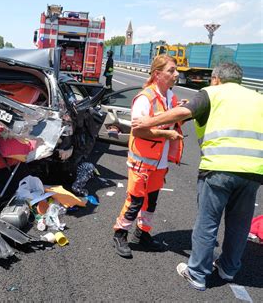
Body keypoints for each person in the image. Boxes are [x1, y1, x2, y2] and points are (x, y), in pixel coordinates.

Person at [131, 62, 263, 291]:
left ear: (216, 79)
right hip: (253, 171)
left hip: (219, 168)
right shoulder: (257, 98)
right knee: (240, 225)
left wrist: (148, 121)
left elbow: (184, 112)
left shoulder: (212, 93)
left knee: (207, 222)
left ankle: (197, 274)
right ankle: (228, 269)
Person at [112, 55, 184, 258]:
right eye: (171, 70)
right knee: (135, 200)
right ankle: (120, 233)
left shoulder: (171, 96)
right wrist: (166, 134)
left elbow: (170, 122)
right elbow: (139, 131)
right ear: (157, 74)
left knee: (151, 200)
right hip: (142, 159)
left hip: (159, 160)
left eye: (175, 69)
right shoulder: (145, 98)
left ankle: (142, 234)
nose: (176, 74)